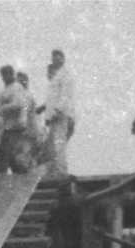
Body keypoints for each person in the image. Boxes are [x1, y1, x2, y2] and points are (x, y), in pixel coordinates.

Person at [43, 49, 77, 181]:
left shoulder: (65, 75)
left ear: (63, 59)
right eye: (53, 57)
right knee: (52, 145)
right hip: (53, 116)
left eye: (58, 57)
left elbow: (65, 95)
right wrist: (45, 112)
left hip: (60, 115)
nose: (55, 60)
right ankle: (53, 172)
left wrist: (58, 110)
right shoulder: (56, 77)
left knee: (58, 144)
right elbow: (52, 99)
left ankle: (61, 172)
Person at [0, 64, 31, 174]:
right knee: (7, 154)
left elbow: (18, 104)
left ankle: (21, 174)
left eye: (5, 74)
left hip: (15, 126)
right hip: (7, 126)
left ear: (11, 74)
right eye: (2, 75)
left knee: (7, 153)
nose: (3, 78)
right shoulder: (6, 89)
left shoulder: (16, 87)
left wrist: (1, 109)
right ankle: (18, 174)